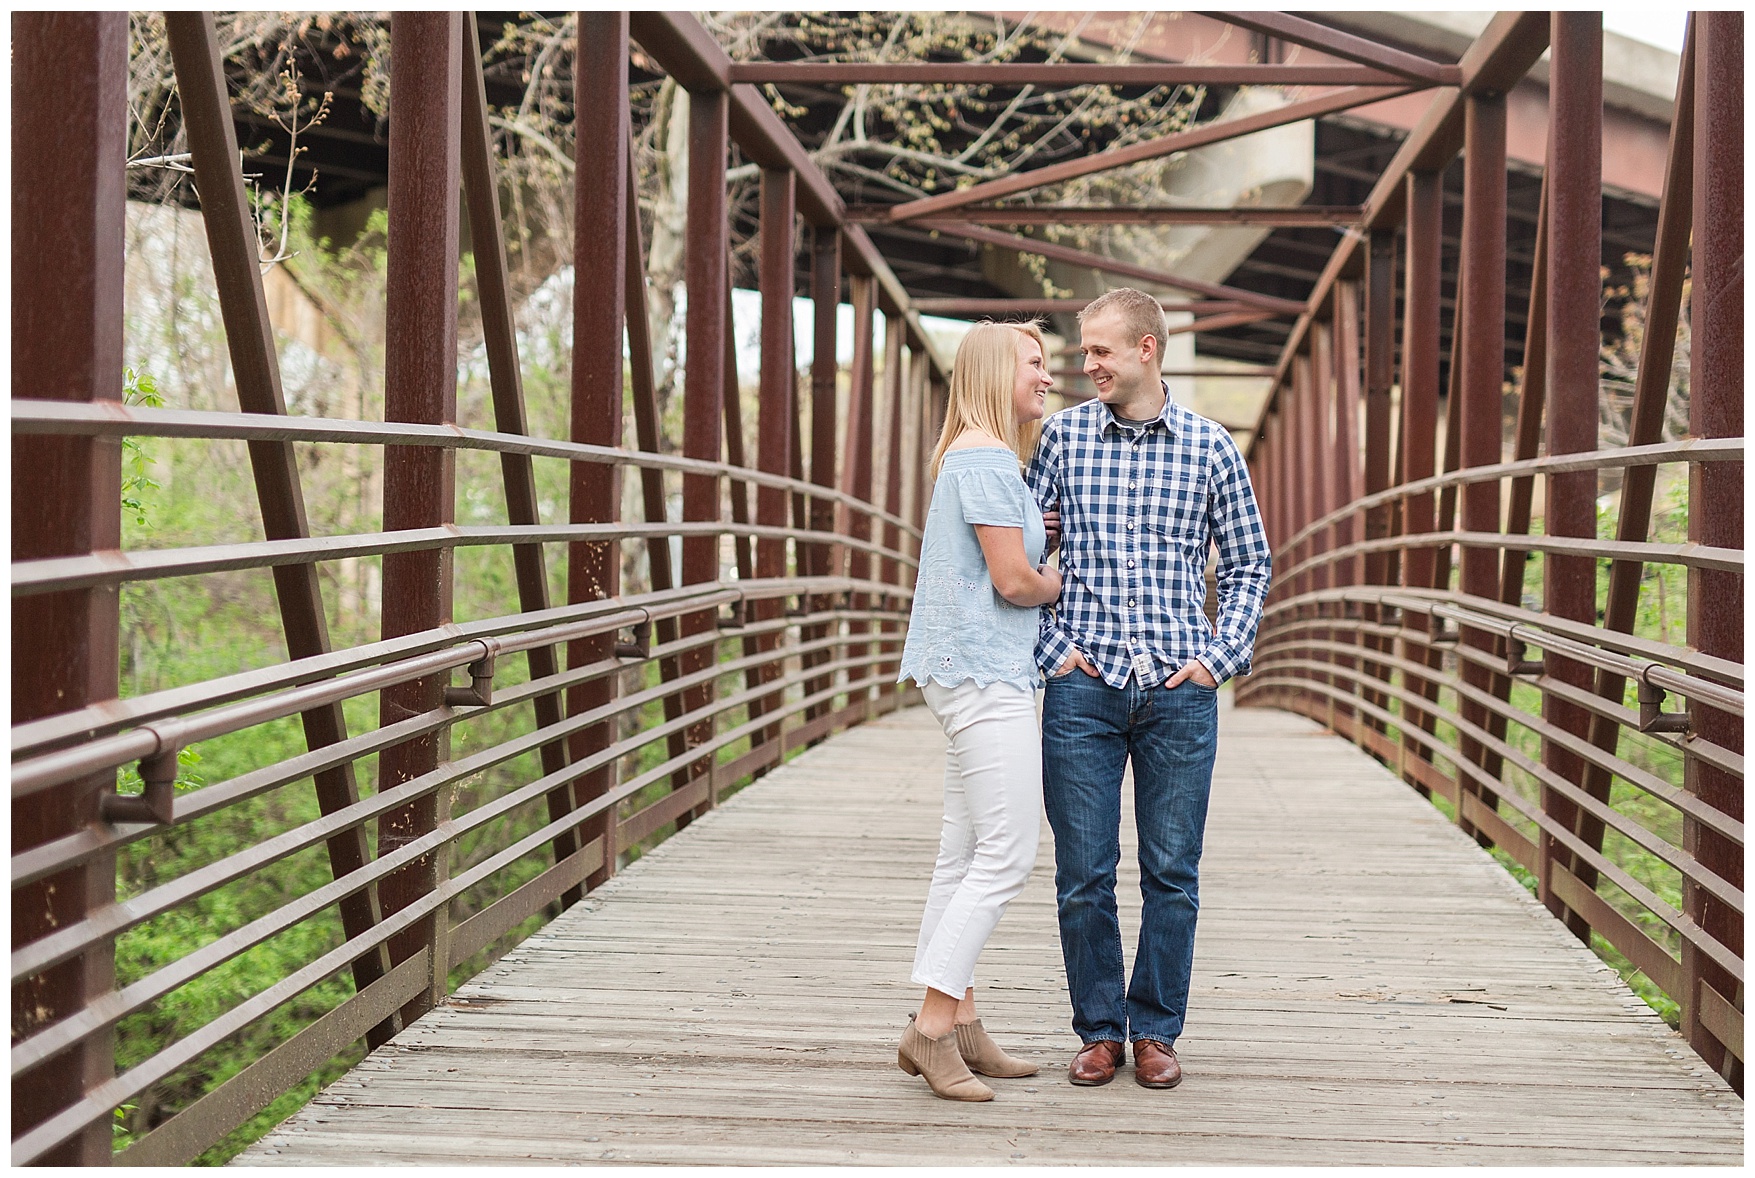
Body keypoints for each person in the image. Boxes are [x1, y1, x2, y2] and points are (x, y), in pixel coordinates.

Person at [1025, 287, 1271, 1090]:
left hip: (1178, 689)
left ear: (1145, 350)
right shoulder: (1058, 440)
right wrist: (1053, 651)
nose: (1084, 364)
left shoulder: (1209, 448)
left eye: (1099, 350)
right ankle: (1100, 1030)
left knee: (1172, 870)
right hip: (1082, 686)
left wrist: (1217, 657)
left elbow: (1246, 565)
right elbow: (1017, 561)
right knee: (1083, 873)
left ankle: (1156, 1029)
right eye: (1081, 350)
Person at [893, 321, 1061, 1101]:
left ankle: (961, 1021)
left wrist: (1034, 539)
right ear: (998, 373)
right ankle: (928, 1030)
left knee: (960, 856)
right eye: (1035, 364)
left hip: (959, 668)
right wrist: (1065, 578)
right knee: (1006, 854)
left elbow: (998, 555)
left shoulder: (976, 458)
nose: (1047, 378)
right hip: (984, 673)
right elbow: (1014, 584)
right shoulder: (990, 460)